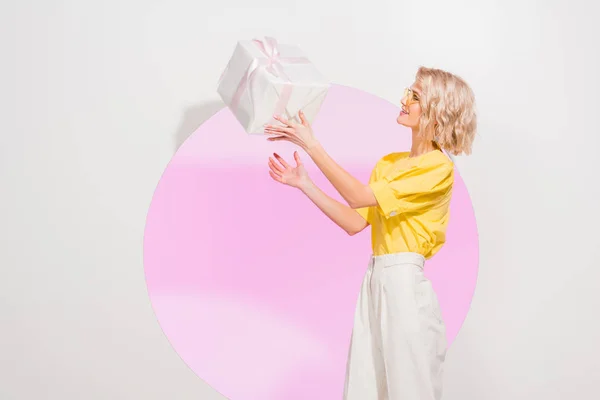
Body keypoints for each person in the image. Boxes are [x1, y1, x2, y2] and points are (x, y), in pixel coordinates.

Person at [263, 66, 477, 400]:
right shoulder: (390, 164)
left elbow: (358, 196)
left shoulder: (438, 168)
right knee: (366, 389)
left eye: (416, 96)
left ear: (437, 111)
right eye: (409, 90)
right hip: (375, 281)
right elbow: (354, 221)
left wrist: (312, 145)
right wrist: (306, 184)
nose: (405, 99)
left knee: (410, 389)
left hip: (404, 286)